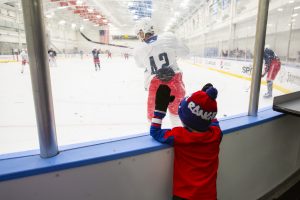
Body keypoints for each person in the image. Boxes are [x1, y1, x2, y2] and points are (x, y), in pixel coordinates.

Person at [150, 83, 222, 200]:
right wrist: (205, 102)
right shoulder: (216, 134)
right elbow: (211, 120)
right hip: (209, 196)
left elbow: (155, 132)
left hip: (184, 196)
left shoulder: (179, 136)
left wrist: (159, 111)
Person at [133, 19, 189, 127]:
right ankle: (180, 138)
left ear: (145, 30)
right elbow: (185, 52)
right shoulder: (168, 37)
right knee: (177, 116)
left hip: (155, 86)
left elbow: (140, 65)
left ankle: (157, 139)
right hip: (175, 82)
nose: (139, 36)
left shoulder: (139, 50)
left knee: (154, 119)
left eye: (140, 33)